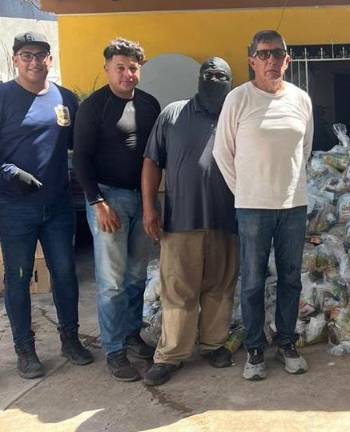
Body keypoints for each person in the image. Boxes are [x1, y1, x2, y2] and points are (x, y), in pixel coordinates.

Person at [213, 30, 313, 381]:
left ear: (288, 60)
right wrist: (246, 192)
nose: (271, 60)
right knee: (253, 281)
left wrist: (290, 188)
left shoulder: (301, 100)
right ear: (251, 60)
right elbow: (221, 153)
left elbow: (305, 150)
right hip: (253, 207)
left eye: (278, 54)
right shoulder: (238, 100)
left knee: (290, 279)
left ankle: (287, 341)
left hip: (292, 205)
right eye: (264, 54)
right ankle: (255, 349)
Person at [0, 31, 93, 378]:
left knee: (66, 274)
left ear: (50, 59)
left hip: (57, 206)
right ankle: (25, 350)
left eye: (41, 55)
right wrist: (10, 173)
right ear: (15, 60)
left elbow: (82, 145)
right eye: (27, 55)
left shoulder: (64, 98)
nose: (34, 62)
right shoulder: (3, 97)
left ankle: (70, 339)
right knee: (19, 278)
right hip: (14, 208)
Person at [140, 57, 238, 386]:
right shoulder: (173, 114)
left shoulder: (236, 115)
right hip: (181, 220)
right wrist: (149, 207)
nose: (214, 79)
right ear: (198, 78)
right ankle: (171, 355)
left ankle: (213, 345)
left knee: (220, 288)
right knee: (178, 290)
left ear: (230, 81)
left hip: (228, 220)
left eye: (221, 76)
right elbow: (152, 162)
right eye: (208, 74)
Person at [73, 38, 160, 382]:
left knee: (137, 275)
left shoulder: (150, 105)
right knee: (111, 282)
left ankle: (130, 334)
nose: (127, 74)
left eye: (133, 67)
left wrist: (152, 204)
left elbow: (155, 158)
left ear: (141, 68)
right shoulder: (94, 107)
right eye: (120, 67)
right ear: (107, 68)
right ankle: (114, 350)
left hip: (142, 199)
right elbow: (80, 158)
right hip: (108, 199)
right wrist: (97, 203)